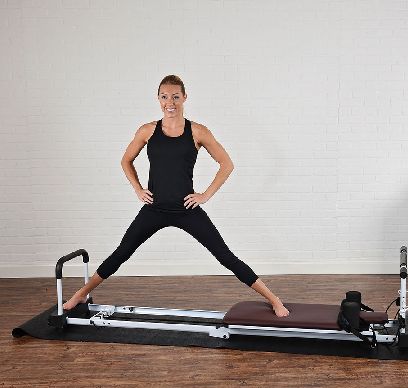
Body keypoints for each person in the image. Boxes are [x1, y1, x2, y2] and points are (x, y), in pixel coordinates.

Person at [63, 75, 289, 317]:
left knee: (225, 256)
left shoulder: (198, 131)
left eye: (175, 97)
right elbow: (126, 160)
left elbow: (226, 164)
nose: (169, 102)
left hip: (186, 209)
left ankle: (274, 299)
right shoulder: (147, 130)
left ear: (184, 98)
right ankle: (80, 294)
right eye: (164, 97)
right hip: (154, 209)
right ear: (158, 99)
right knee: (122, 252)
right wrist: (138, 189)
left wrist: (205, 195)